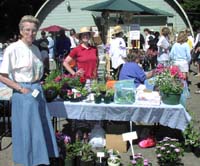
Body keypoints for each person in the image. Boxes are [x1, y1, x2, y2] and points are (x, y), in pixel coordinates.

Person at [0, 15, 58, 166]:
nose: (30, 33)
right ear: (21, 31)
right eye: (27, 30)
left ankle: (41, 159)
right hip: (23, 91)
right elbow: (2, 76)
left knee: (41, 125)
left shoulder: (36, 49)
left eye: (33, 30)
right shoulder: (12, 49)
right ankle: (27, 160)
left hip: (37, 90)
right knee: (27, 129)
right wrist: (20, 88)